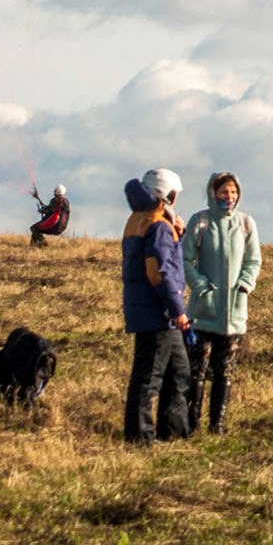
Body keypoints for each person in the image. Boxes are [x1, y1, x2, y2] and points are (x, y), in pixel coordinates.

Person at [182, 171, 262, 433]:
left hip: (234, 315)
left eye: (233, 192)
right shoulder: (200, 221)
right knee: (197, 372)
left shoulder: (246, 224)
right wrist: (201, 286)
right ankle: (191, 424)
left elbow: (253, 260)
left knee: (224, 372)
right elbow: (185, 260)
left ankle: (216, 426)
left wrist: (245, 285)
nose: (229, 197)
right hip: (203, 313)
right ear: (212, 193)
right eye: (223, 192)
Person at [121, 168, 191, 444]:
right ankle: (140, 437)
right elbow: (159, 272)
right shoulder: (159, 225)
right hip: (158, 313)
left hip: (154, 312)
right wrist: (178, 310)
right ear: (167, 194)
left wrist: (179, 235)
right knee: (149, 377)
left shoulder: (140, 219)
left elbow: (162, 257)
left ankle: (173, 431)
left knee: (179, 372)